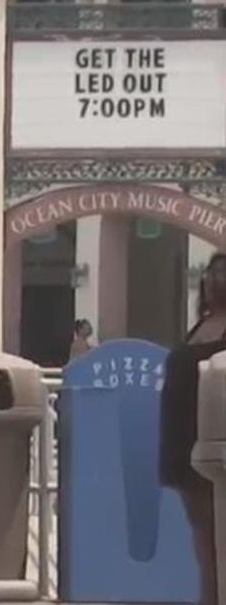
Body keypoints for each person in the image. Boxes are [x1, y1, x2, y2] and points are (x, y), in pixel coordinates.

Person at [161, 253, 226, 605]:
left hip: (217, 450)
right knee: (204, 545)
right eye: (214, 271)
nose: (217, 278)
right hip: (184, 452)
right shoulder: (200, 324)